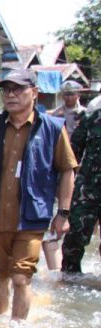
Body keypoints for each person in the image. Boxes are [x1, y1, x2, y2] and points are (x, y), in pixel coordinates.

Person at [0, 69, 77, 323]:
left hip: (31, 217)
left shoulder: (53, 128)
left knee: (21, 277)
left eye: (18, 89)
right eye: (7, 90)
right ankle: (1, 318)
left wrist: (64, 213)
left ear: (34, 93)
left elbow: (68, 171)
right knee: (0, 274)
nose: (11, 95)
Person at [42, 80, 87, 269]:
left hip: (84, 172)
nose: (69, 97)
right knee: (56, 216)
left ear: (78, 95)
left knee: (81, 222)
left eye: (72, 94)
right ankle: (53, 271)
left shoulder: (87, 115)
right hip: (60, 169)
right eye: (66, 94)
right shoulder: (55, 115)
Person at [61, 95, 101, 274]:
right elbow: (72, 155)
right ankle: (69, 281)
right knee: (74, 238)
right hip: (88, 190)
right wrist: (63, 188)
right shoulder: (93, 117)